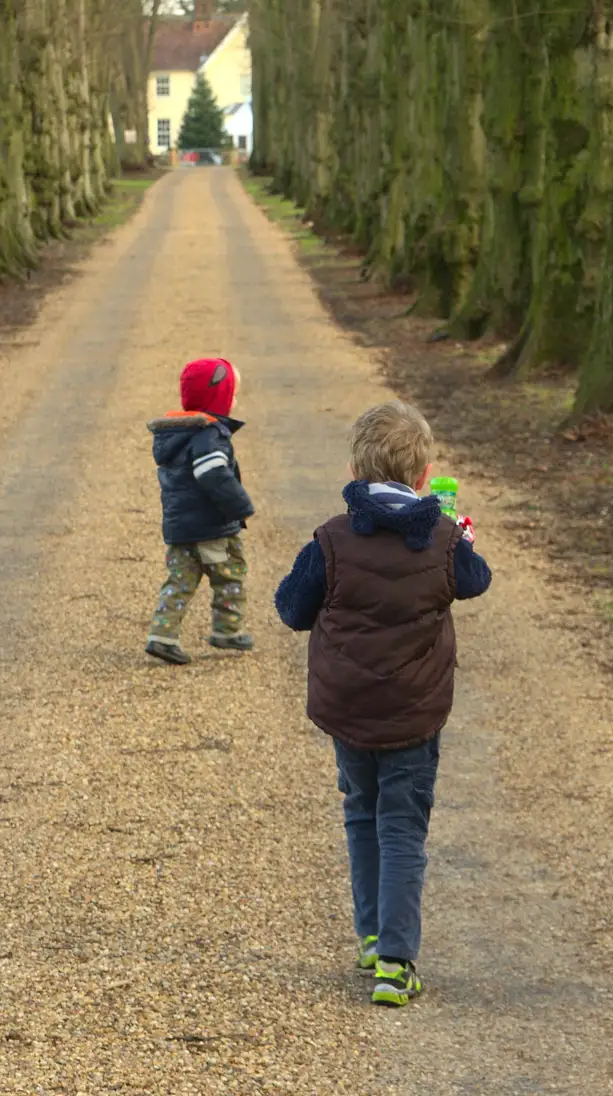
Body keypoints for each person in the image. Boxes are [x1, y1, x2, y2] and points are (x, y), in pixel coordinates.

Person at [274, 399, 491, 1006]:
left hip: (350, 712)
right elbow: (476, 581)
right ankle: (396, 961)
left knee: (361, 813)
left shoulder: (332, 540)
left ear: (355, 469)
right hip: (415, 714)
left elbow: (292, 610)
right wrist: (457, 533)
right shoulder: (444, 541)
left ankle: (371, 935)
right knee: (402, 827)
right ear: (425, 476)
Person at [145, 357, 255, 666]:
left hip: (180, 526)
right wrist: (240, 506)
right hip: (212, 525)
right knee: (230, 573)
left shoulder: (175, 435)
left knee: (180, 578)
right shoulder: (209, 435)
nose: (234, 400)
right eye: (231, 393)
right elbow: (213, 473)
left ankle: (161, 635)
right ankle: (228, 630)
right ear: (218, 397)